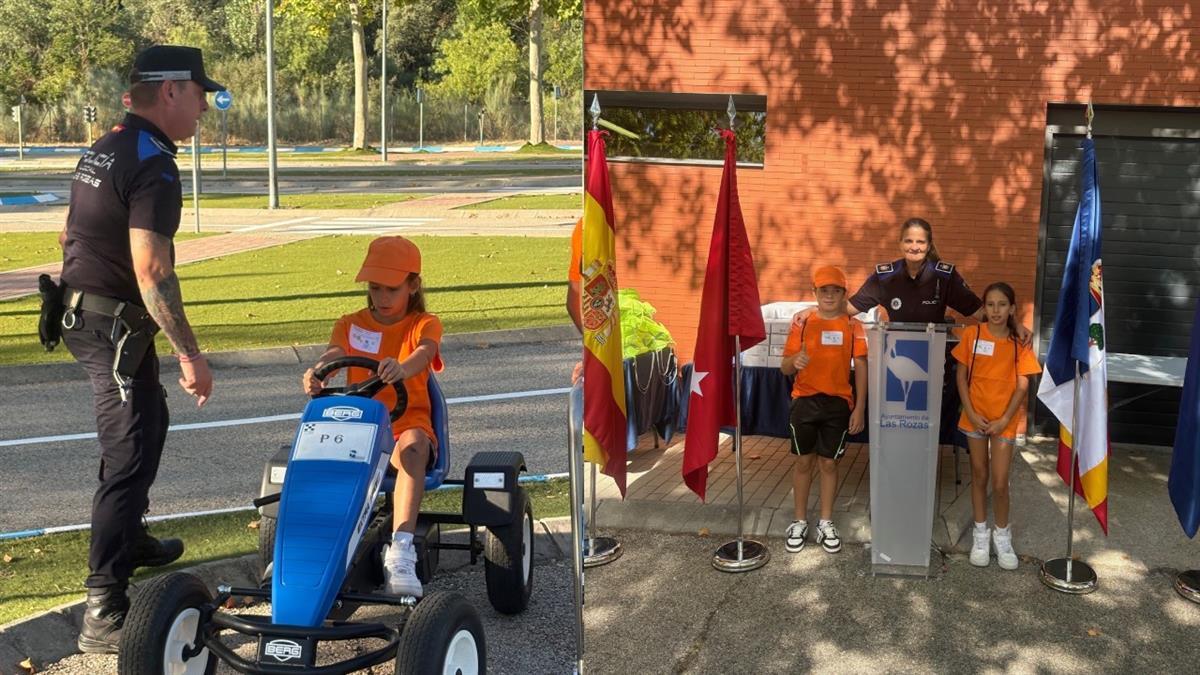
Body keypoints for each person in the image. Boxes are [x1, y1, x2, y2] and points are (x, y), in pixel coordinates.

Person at [58, 45, 220, 654]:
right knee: (127, 454)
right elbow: (153, 271)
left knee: (151, 420)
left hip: (91, 314)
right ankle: (104, 608)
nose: (204, 106)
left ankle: (130, 536)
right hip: (113, 328)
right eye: (199, 92)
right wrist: (190, 355)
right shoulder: (154, 163)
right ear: (171, 90)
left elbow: (70, 230)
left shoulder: (108, 144)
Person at [302, 236, 443, 597]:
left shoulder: (424, 324)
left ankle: (401, 550)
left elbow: (425, 353)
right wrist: (319, 371)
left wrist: (403, 367)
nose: (382, 297)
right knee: (307, 451)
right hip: (357, 429)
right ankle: (306, 546)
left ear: (413, 285)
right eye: (375, 287)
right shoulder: (350, 324)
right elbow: (334, 353)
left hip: (405, 427)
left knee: (413, 445)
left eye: (391, 289)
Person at [846, 217, 1031, 445]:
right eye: (909, 241)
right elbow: (848, 309)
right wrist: (812, 312)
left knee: (921, 427)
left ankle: (921, 459)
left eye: (920, 242)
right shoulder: (885, 276)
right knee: (898, 424)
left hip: (931, 367)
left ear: (929, 244)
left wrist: (1016, 324)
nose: (914, 246)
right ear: (900, 243)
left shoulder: (944, 277)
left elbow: (981, 313)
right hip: (893, 368)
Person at [951, 282, 1040, 570]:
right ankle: (980, 535)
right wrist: (971, 412)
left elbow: (1023, 385)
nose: (996, 310)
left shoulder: (1019, 342)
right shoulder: (973, 334)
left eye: (1002, 304)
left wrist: (1004, 419)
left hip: (1005, 421)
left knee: (1000, 483)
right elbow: (961, 377)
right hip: (975, 418)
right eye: (990, 304)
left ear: (1012, 308)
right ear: (984, 308)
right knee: (979, 475)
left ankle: (1002, 537)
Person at [780, 266, 868, 554]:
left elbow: (862, 367)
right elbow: (784, 366)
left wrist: (859, 408)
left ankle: (826, 522)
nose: (830, 295)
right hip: (804, 402)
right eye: (824, 290)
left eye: (836, 290)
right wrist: (795, 361)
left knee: (829, 464)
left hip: (838, 404)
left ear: (844, 294)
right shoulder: (802, 323)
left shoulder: (853, 326)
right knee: (803, 462)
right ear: (814, 292)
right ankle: (799, 521)